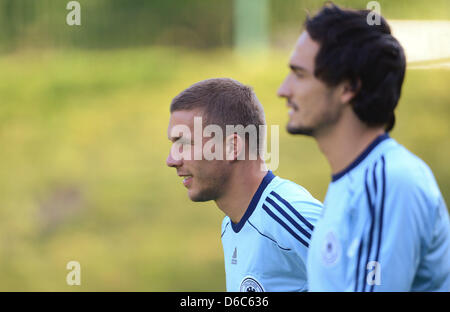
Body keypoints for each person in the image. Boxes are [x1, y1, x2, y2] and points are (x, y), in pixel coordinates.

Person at [277, 3, 450, 291]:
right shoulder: (357, 181)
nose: (283, 89)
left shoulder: (389, 181)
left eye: (300, 74)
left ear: (348, 88)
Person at [166, 78, 322, 291]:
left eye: (184, 143)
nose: (171, 160)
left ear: (232, 147)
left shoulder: (287, 215)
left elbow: (371, 274)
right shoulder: (230, 226)